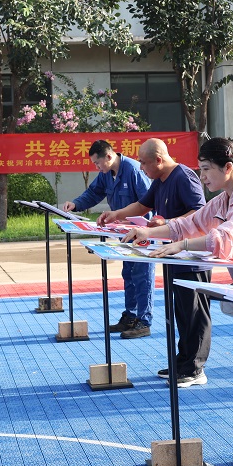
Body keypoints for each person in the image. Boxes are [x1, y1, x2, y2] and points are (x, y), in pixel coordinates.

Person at [122, 137, 233, 466]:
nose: (201, 176)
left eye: (206, 169)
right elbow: (188, 223)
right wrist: (148, 233)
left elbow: (230, 237)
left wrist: (181, 245)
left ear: (228, 168)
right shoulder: (226, 196)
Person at [97, 138, 212, 387]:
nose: (140, 167)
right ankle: (182, 362)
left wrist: (168, 223)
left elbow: (199, 212)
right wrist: (116, 214)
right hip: (173, 256)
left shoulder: (184, 177)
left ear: (159, 160)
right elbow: (142, 205)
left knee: (195, 315)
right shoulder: (160, 180)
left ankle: (195, 368)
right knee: (181, 314)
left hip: (193, 259)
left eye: (144, 162)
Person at [62, 140, 156, 338]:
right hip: (124, 234)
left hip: (142, 233)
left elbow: (148, 202)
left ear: (109, 156)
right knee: (128, 274)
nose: (97, 167)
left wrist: (139, 226)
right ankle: (130, 316)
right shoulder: (106, 174)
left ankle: (144, 321)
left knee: (142, 275)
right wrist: (76, 204)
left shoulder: (133, 170)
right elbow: (94, 193)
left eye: (97, 163)